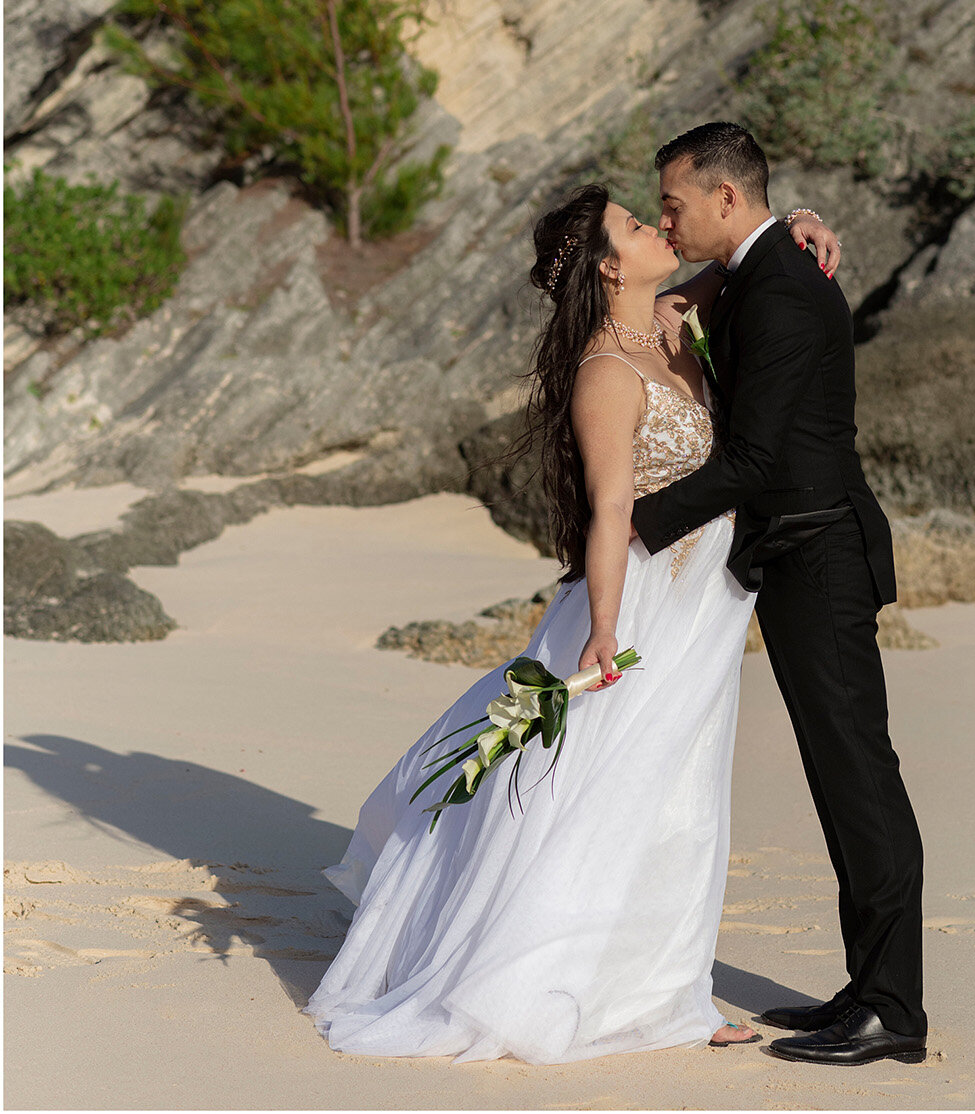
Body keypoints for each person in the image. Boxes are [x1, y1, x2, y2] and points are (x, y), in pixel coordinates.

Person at [306, 189, 843, 1061]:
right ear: (607, 266)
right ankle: (567, 986)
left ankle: (667, 989)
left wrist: (807, 221)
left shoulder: (671, 319)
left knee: (681, 791)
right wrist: (602, 627)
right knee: (610, 794)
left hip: (705, 601)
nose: (659, 228)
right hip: (641, 606)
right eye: (639, 225)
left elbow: (744, 256)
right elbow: (608, 510)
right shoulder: (605, 372)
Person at [632, 121, 929, 1068]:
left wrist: (636, 525)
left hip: (822, 555)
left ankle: (893, 1011)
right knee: (839, 777)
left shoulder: (785, 291)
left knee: (859, 777)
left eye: (674, 202)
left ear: (726, 198)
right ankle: (866, 987)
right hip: (801, 555)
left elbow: (756, 458)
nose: (666, 220)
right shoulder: (765, 268)